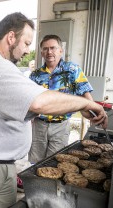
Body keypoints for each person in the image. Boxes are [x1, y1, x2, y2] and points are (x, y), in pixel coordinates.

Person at [0, 12, 107, 208]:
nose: (29, 50)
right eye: (27, 43)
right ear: (11, 37)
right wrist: (86, 103)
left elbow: (24, 105)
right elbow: (39, 102)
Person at [28, 34, 94, 164]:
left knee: (55, 162)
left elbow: (85, 92)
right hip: (39, 125)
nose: (49, 52)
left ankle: (49, 185)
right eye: (45, 49)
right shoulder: (35, 75)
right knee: (36, 162)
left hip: (61, 126)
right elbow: (29, 99)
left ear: (60, 50)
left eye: (53, 48)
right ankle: (36, 184)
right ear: (41, 52)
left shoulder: (72, 70)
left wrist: (94, 113)